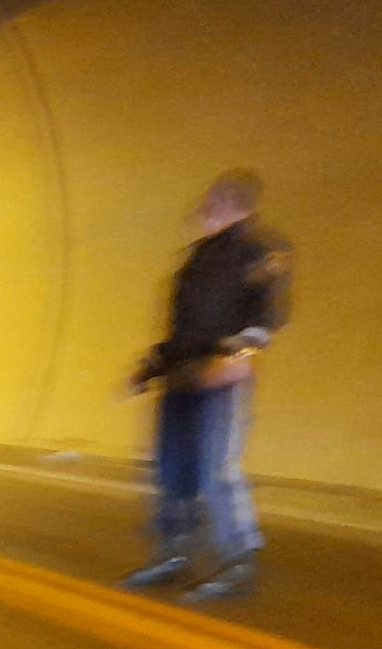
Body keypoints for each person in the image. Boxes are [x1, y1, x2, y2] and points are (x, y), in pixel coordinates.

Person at [122, 169, 291, 600]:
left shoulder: (260, 250)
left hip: (220, 379)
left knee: (218, 470)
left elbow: (267, 313)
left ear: (228, 204)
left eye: (208, 201)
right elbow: (182, 332)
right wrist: (148, 369)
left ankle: (238, 562)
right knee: (170, 468)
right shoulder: (195, 261)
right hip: (181, 378)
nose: (200, 209)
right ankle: (173, 553)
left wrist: (238, 355)